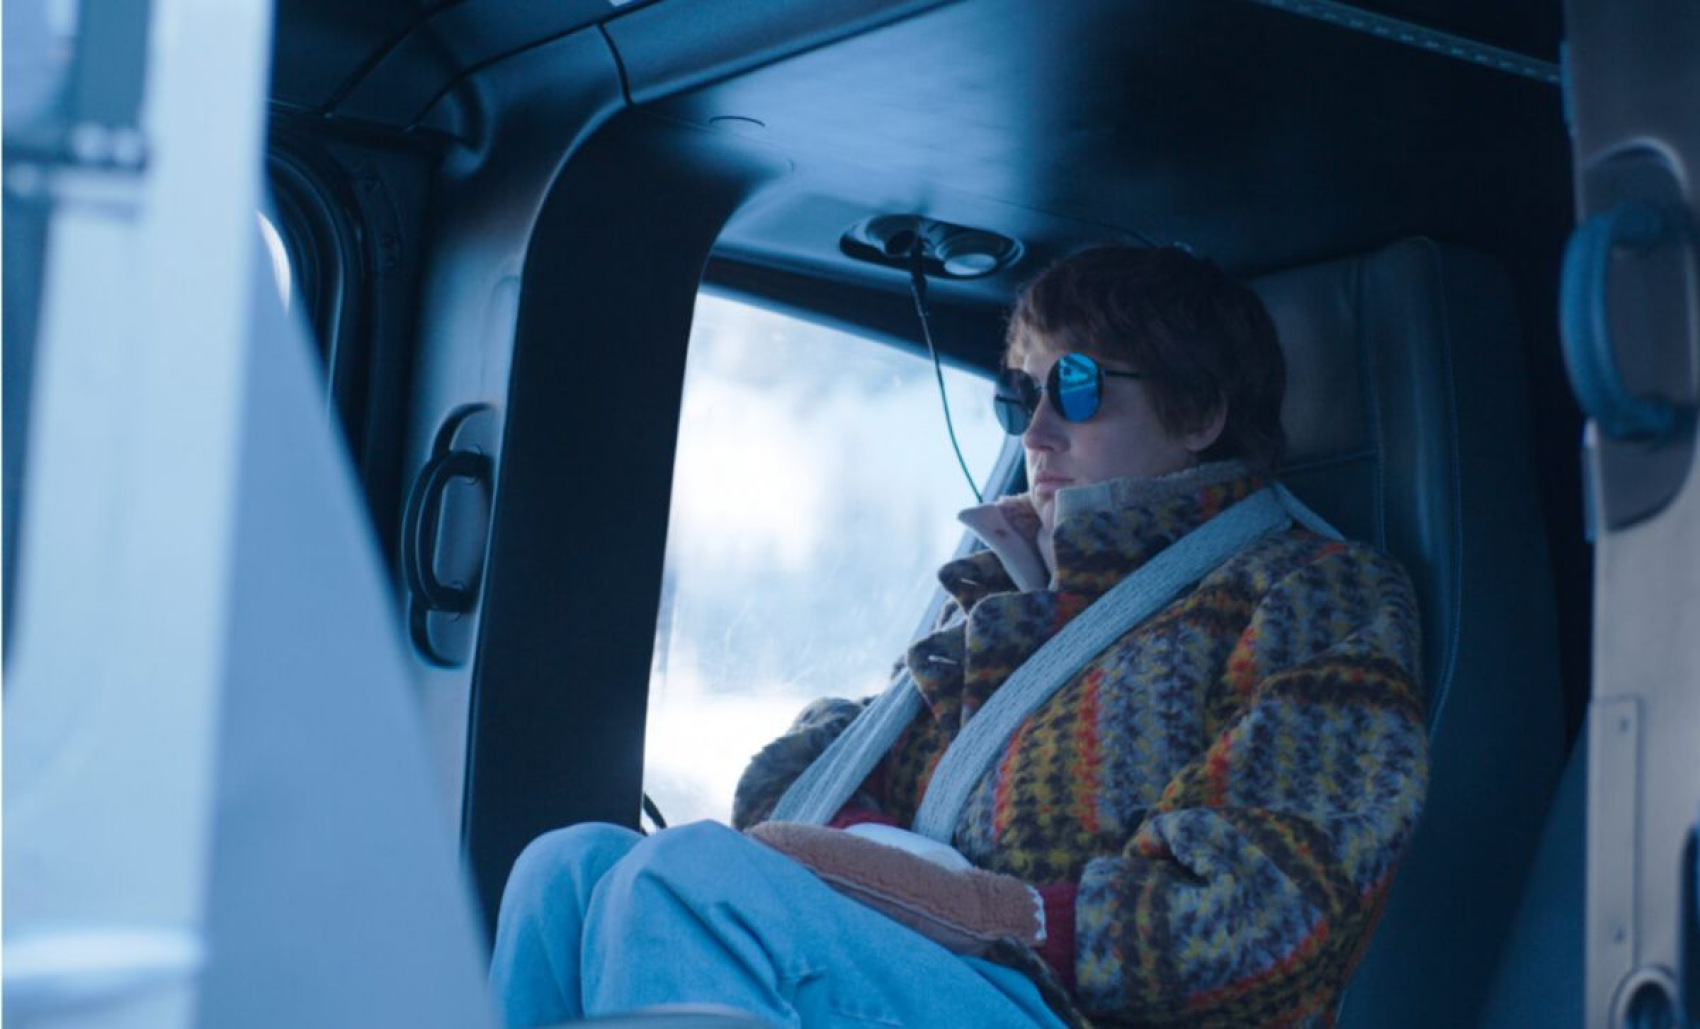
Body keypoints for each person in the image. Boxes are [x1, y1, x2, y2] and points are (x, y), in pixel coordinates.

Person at [490, 245, 1428, 1028]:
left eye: (1078, 387)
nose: (1039, 433)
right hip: (951, 981)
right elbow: (809, 773)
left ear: (1200, 413)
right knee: (566, 869)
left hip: (1081, 1008)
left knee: (689, 879)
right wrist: (872, 855)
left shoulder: (1310, 590)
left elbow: (1277, 913)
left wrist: (983, 910)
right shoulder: (1009, 592)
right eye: (1024, 394)